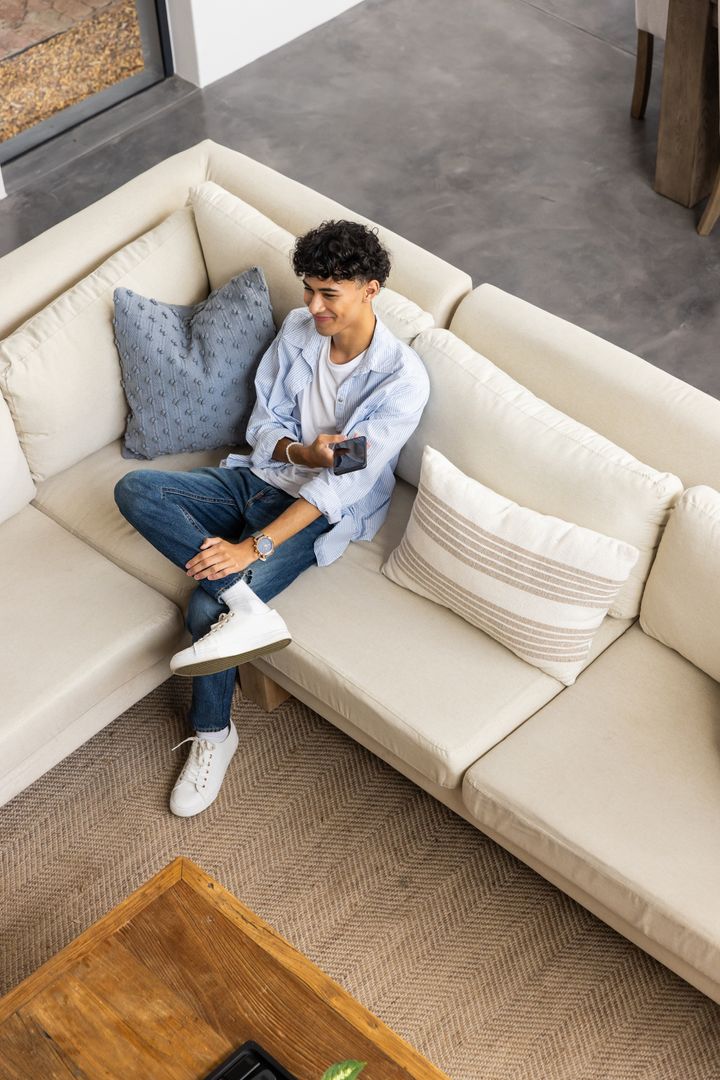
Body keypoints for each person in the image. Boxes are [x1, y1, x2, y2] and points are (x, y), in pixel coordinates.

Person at [114, 219, 430, 817]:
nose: (312, 306)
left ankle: (213, 736)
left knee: (207, 608)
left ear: (370, 289)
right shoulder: (298, 330)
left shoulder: (400, 380)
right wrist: (300, 451)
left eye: (327, 294)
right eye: (308, 289)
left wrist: (251, 549)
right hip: (256, 478)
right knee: (138, 490)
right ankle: (249, 606)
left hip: (310, 512)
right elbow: (263, 426)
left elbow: (346, 481)